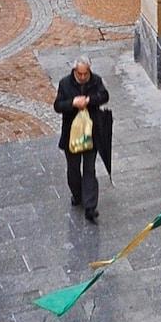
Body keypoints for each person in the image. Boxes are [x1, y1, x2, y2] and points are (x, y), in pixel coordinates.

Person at [54, 59, 109, 222]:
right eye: (80, 73)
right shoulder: (65, 84)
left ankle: (90, 206)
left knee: (90, 170)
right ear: (75, 71)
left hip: (91, 133)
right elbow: (58, 105)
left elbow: (104, 96)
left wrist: (89, 100)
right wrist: (73, 103)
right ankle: (77, 195)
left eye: (86, 73)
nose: (84, 76)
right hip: (72, 135)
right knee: (73, 170)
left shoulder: (96, 80)